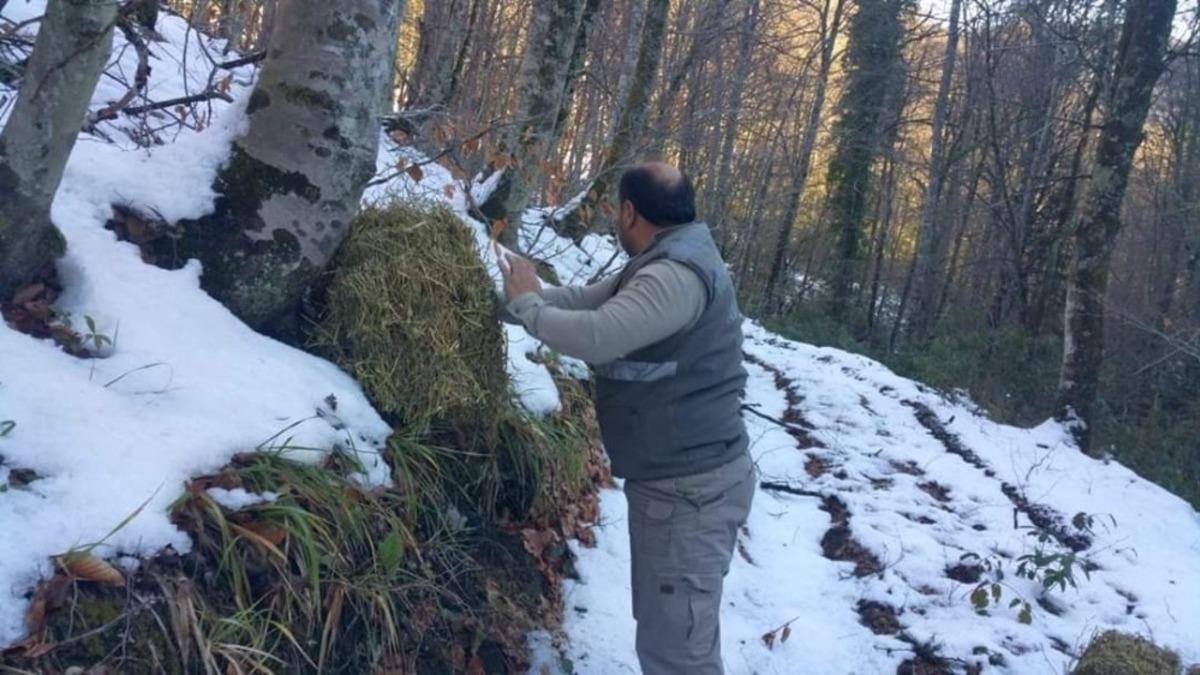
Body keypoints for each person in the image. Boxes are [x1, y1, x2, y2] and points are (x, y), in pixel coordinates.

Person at [497, 162, 754, 674]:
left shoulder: (673, 275)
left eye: (617, 211)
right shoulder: (671, 256)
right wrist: (510, 300)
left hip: (691, 493)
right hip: (682, 485)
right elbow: (583, 302)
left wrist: (528, 308)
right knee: (671, 634)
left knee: (678, 653)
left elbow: (599, 336)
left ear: (629, 212)